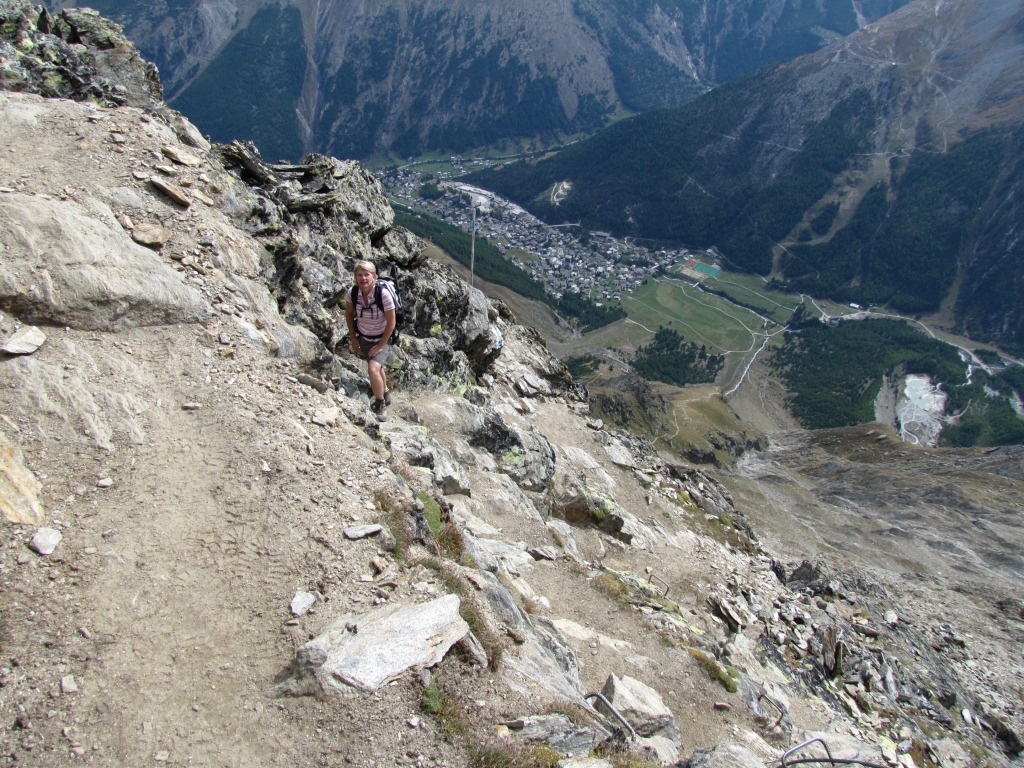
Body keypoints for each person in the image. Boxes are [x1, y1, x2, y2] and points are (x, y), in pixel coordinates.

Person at [345, 260, 396, 420]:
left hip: (383, 338)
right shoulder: (352, 293)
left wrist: (381, 345)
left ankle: (380, 404)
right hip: (364, 337)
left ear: (374, 276)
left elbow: (391, 322)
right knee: (376, 367)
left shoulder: (383, 295)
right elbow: (349, 315)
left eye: (367, 274)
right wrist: (354, 339)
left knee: (373, 368)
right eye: (359, 275)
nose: (363, 278)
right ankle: (385, 392)